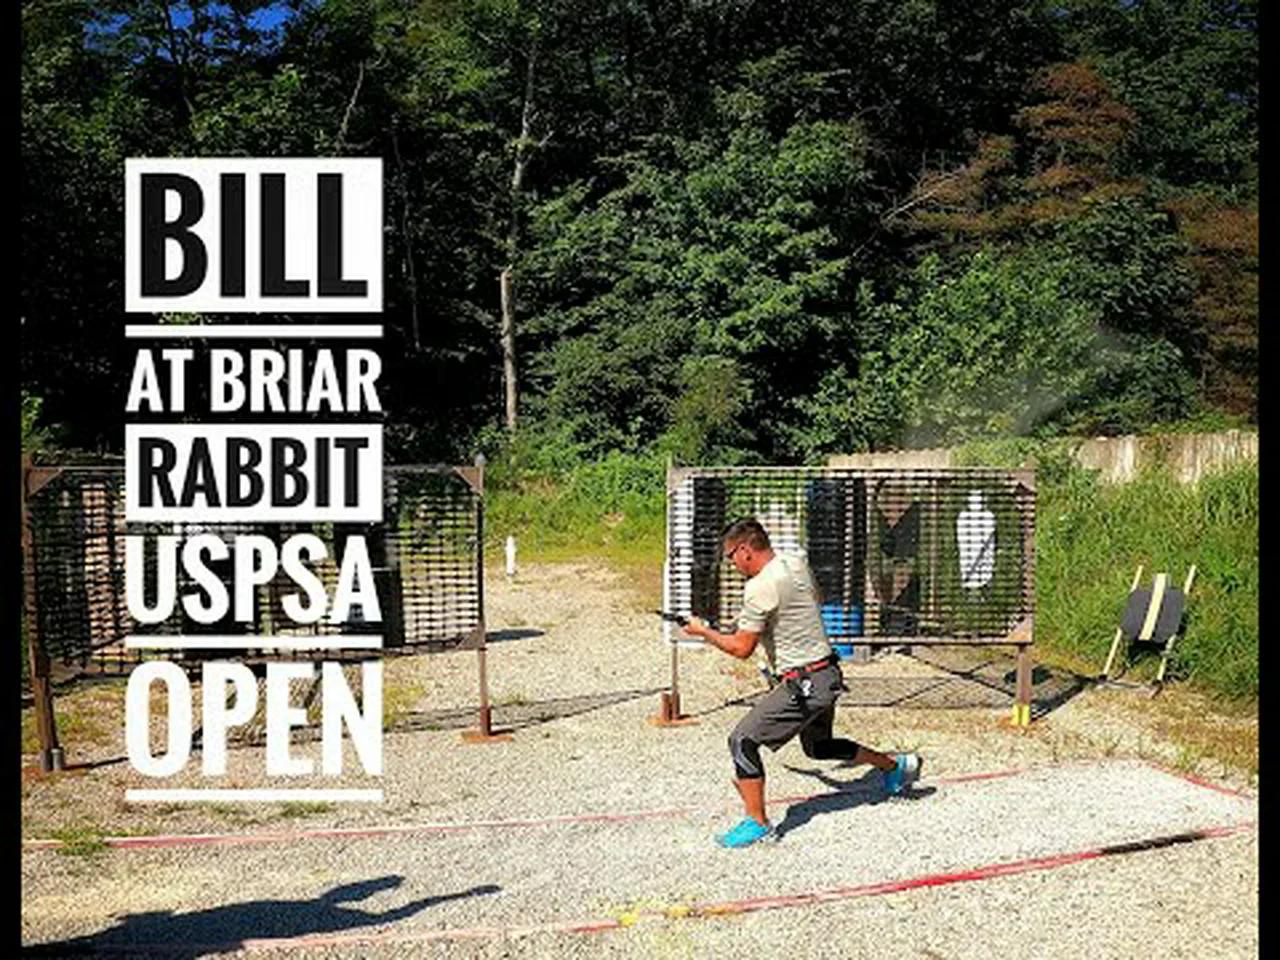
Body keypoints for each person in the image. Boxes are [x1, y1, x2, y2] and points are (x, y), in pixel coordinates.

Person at [682, 518, 922, 848]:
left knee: (742, 741)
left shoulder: (759, 587)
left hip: (804, 683)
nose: (732, 564)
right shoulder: (795, 562)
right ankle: (897, 765)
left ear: (745, 550)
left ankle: (758, 823)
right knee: (818, 748)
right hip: (827, 675)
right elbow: (798, 606)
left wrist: (704, 633)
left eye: (730, 557)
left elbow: (741, 648)